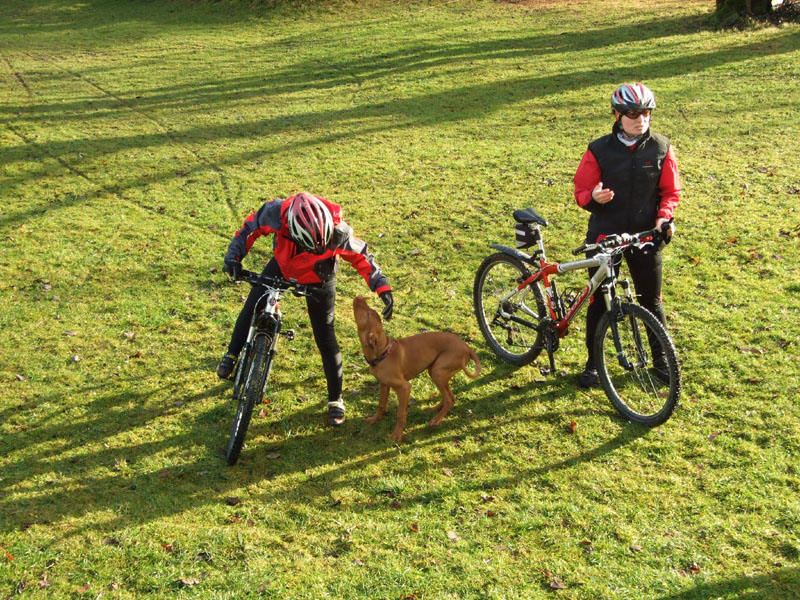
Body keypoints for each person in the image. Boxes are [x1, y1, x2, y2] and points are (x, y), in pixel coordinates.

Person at [217, 192, 394, 426]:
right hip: (282, 265)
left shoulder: (339, 232)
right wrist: (233, 258)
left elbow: (363, 257)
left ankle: (335, 400)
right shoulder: (275, 213)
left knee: (325, 337)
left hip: (319, 277)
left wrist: (382, 287)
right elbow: (250, 228)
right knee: (253, 305)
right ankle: (232, 353)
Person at [573, 83, 681, 388]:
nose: (641, 118)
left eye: (646, 112)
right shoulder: (599, 149)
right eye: (633, 113)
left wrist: (664, 218)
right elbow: (581, 192)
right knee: (599, 302)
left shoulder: (661, 147)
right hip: (604, 237)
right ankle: (593, 364)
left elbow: (670, 192)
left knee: (652, 302)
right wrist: (594, 197)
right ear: (618, 115)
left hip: (645, 237)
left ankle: (661, 362)